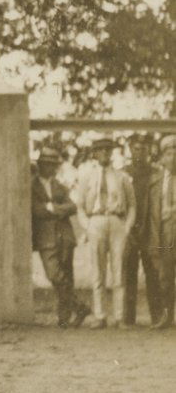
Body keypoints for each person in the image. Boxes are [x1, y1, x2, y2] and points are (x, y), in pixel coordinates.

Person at [74, 135, 136, 329]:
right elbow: (80, 206)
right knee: (98, 272)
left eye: (108, 150)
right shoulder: (86, 177)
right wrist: (87, 225)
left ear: (111, 153)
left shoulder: (122, 176)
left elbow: (133, 205)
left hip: (116, 221)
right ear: (94, 154)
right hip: (96, 221)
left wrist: (126, 228)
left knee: (119, 271)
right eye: (100, 150)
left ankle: (119, 317)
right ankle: (100, 316)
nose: (104, 154)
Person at [31, 146, 88, 328]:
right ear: (39, 165)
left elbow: (72, 207)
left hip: (65, 237)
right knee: (54, 275)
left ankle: (64, 318)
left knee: (67, 276)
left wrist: (53, 208)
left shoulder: (59, 186)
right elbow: (35, 210)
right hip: (45, 238)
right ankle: (80, 306)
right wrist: (54, 209)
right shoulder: (31, 186)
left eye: (53, 165)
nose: (50, 168)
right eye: (46, 164)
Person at [123, 134, 161, 326]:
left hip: (149, 229)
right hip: (130, 228)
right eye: (136, 148)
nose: (140, 152)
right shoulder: (123, 173)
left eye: (143, 149)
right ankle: (129, 318)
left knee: (153, 273)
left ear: (149, 151)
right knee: (128, 272)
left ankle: (157, 316)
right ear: (130, 150)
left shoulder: (156, 173)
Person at [145, 134, 176, 330]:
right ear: (162, 157)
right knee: (165, 276)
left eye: (175, 152)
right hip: (164, 234)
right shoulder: (155, 181)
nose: (172, 157)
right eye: (168, 152)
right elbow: (151, 213)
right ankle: (167, 316)